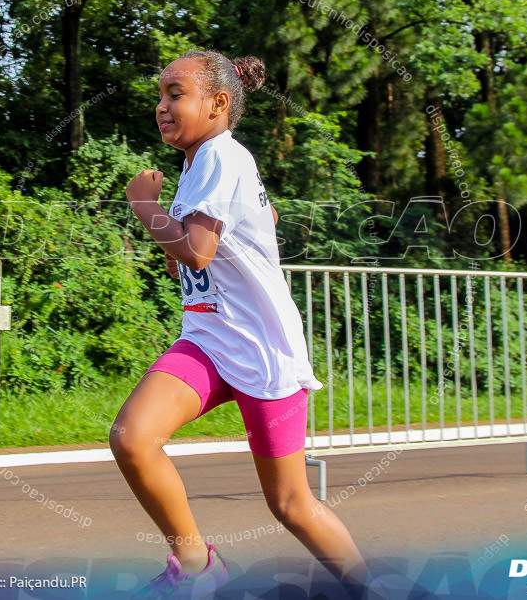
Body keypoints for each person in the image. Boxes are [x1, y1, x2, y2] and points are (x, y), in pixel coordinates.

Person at [110, 49, 367, 598]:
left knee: (291, 505)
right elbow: (212, 243)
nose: (161, 106)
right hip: (207, 340)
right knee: (133, 438)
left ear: (219, 104)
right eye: (159, 94)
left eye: (175, 93)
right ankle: (197, 561)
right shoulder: (200, 163)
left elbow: (197, 252)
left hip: (262, 351)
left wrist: (143, 207)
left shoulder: (224, 156)